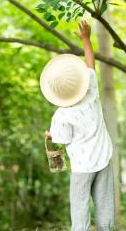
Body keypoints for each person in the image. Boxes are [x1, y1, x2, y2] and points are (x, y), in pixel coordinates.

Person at [41, 21, 114, 231]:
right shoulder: (91, 91)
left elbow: (61, 140)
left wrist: (50, 134)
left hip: (82, 168)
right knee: (105, 208)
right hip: (103, 159)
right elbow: (90, 65)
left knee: (80, 211)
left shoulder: (61, 116)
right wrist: (86, 39)